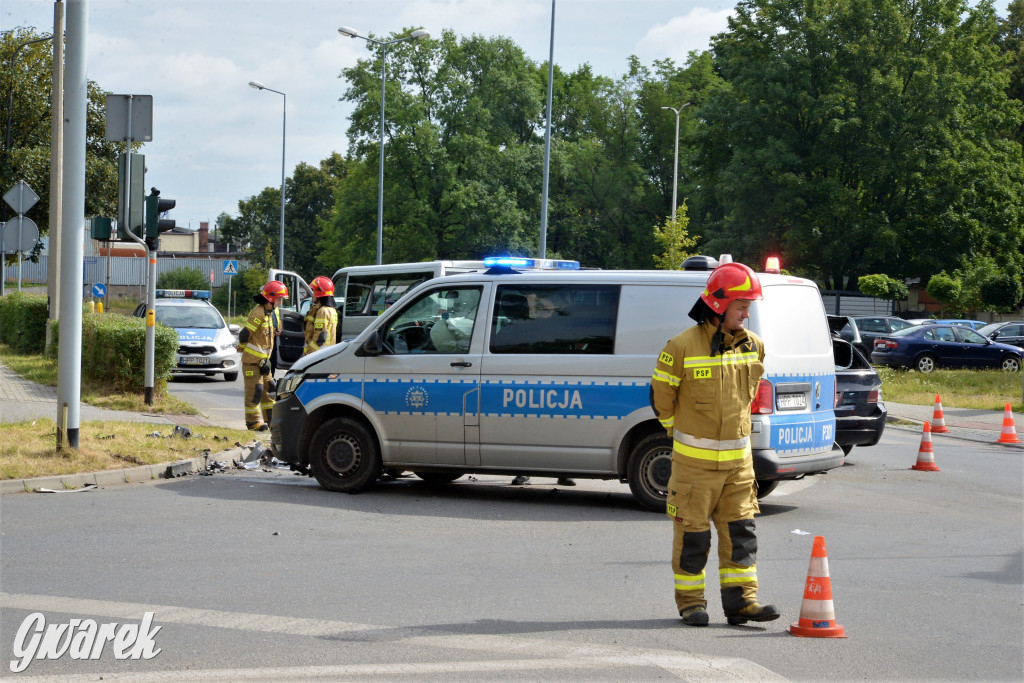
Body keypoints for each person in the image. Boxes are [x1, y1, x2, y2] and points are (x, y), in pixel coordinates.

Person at [650, 262, 780, 627]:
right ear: (719, 305)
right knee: (693, 538)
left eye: (749, 306)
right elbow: (660, 397)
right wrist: (679, 432)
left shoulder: (754, 346)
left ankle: (742, 603)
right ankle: (691, 604)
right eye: (742, 306)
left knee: (741, 535)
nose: (747, 313)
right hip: (694, 468)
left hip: (739, 468)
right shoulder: (680, 346)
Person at [238, 280, 289, 431]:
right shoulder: (258, 313)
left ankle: (272, 420)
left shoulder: (269, 313)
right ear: (271, 299)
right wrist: (241, 348)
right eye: (279, 299)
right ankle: (253, 422)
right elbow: (245, 334)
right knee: (255, 391)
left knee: (270, 390)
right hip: (253, 362)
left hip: (263, 362)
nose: (280, 303)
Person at [303, 276, 339, 356]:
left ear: (319, 293)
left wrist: (309, 354)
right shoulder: (332, 310)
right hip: (328, 352)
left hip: (319, 354)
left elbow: (320, 337)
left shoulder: (322, 311)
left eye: (314, 292)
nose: (313, 295)